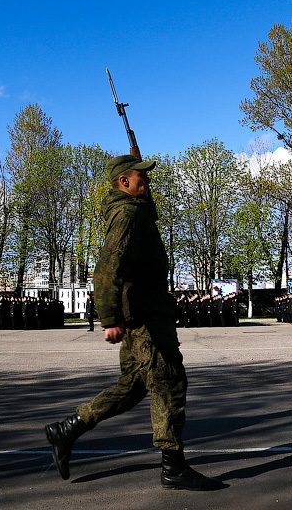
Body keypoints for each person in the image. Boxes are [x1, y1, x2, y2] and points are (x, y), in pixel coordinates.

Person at [45, 155, 221, 491]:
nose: (148, 182)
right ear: (124, 181)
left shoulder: (136, 213)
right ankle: (173, 468)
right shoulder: (127, 215)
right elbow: (107, 267)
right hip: (146, 321)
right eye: (142, 178)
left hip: (147, 316)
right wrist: (109, 317)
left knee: (133, 387)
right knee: (169, 384)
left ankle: (67, 429)